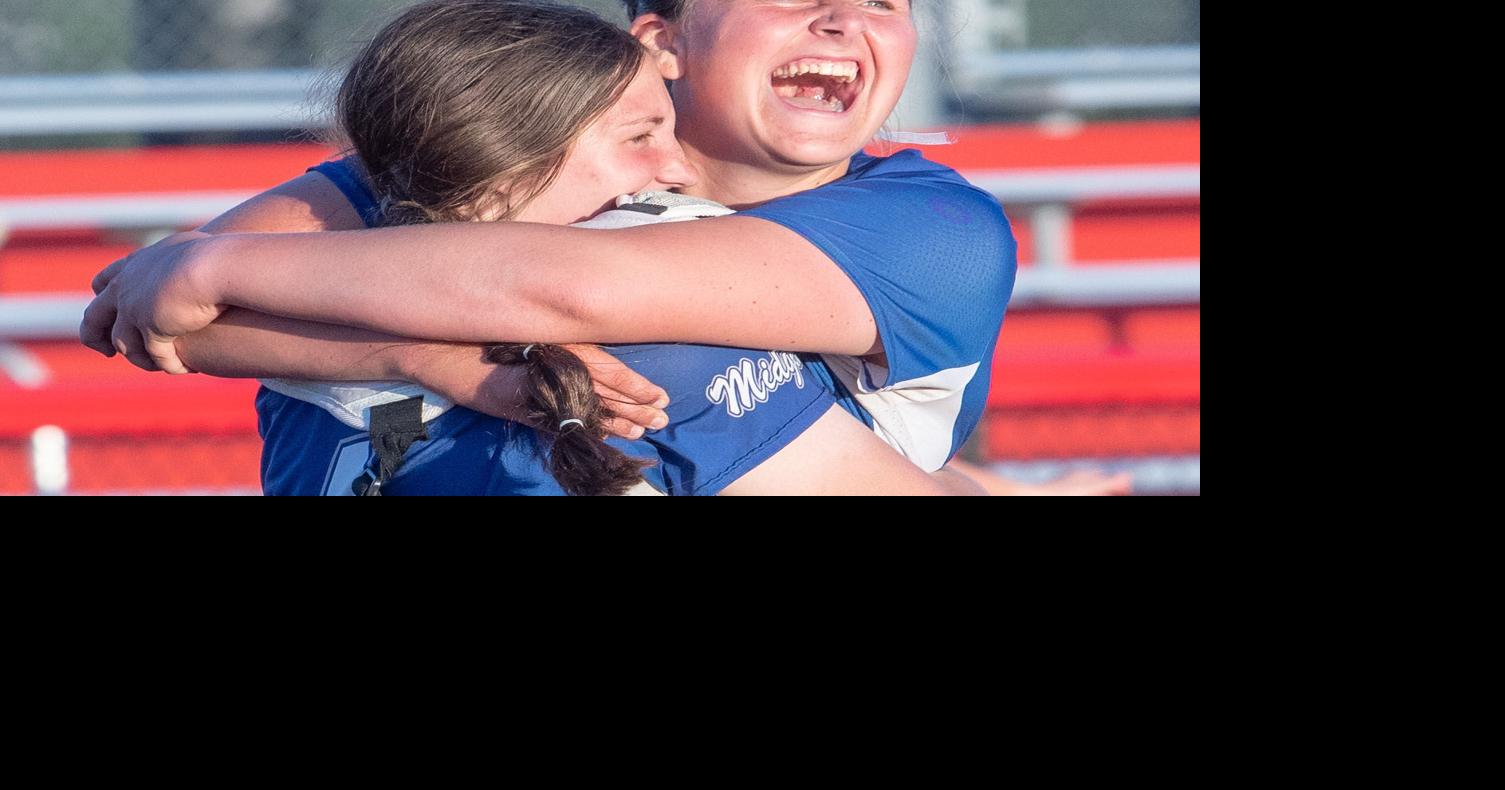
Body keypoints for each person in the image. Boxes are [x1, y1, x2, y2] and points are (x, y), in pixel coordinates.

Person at [86, 1, 1115, 492]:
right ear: (658, 39)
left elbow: (571, 291)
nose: (842, 16)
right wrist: (421, 358)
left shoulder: (925, 226)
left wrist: (212, 269)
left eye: (884, 3)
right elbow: (155, 308)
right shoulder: (494, 161)